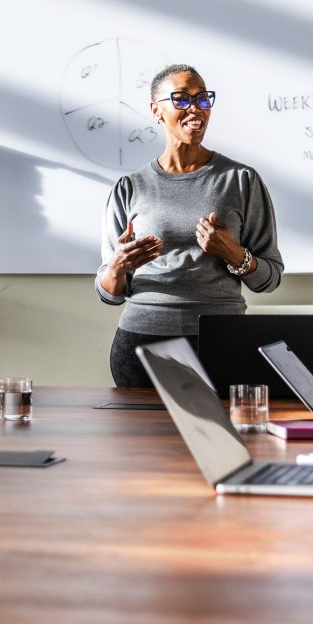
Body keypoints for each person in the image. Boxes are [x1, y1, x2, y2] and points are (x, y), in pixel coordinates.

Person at [96, 63, 284, 387]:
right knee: (144, 439)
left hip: (221, 343)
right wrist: (117, 267)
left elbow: (269, 278)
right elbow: (109, 293)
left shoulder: (241, 180)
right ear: (156, 110)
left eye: (203, 99)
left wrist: (234, 254)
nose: (195, 109)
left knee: (223, 438)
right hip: (142, 344)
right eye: (181, 99)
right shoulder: (130, 187)